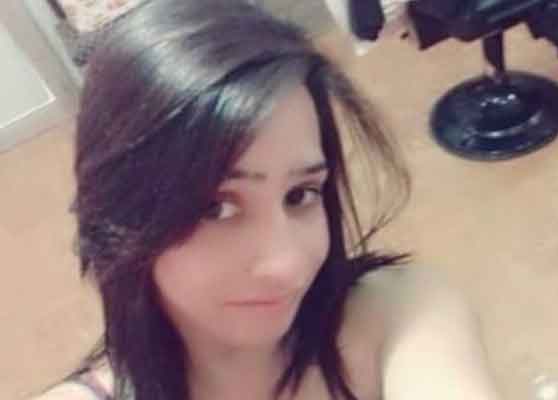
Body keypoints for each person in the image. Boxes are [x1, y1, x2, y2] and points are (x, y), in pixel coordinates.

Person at [34, 0, 501, 399]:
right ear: (120, 216)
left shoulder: (399, 315)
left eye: (300, 195)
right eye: (216, 207)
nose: (287, 266)